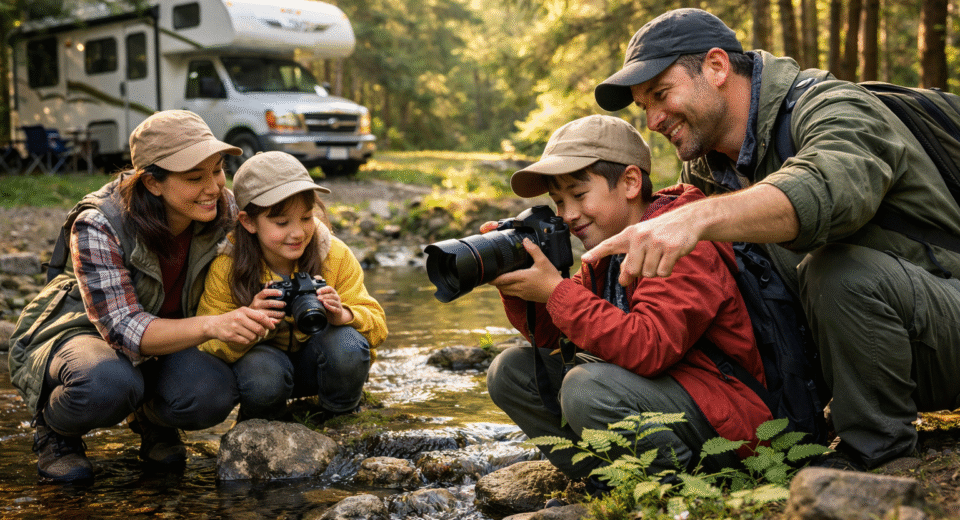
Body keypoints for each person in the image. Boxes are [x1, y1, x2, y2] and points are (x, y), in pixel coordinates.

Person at [590, 8, 960, 470]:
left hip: (942, 319)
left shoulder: (831, 106)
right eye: (645, 106)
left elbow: (831, 188)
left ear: (717, 67)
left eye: (661, 95)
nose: (654, 120)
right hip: (860, 347)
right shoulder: (704, 168)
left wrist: (698, 219)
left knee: (840, 270)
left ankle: (875, 454)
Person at [484, 115, 773, 483]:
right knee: (510, 370)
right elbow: (554, 338)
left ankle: (682, 491)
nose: (568, 215)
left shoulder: (681, 242)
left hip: (727, 422)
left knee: (586, 388)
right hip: (663, 400)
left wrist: (557, 291)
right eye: (558, 201)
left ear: (631, 182)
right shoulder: (607, 249)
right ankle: (611, 482)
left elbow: (647, 347)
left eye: (579, 194)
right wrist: (518, 281)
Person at [8, 110, 278, 483]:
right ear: (152, 183)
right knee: (107, 384)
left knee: (212, 393)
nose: (214, 187)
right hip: (85, 333)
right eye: (195, 178)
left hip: (170, 333)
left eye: (218, 169)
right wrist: (215, 324)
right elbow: (122, 328)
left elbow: (281, 232)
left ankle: (151, 418)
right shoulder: (99, 222)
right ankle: (55, 431)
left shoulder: (222, 207)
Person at [196, 151, 387, 422]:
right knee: (262, 372)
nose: (298, 233)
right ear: (248, 222)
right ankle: (263, 424)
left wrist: (342, 315)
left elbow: (378, 327)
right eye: (282, 222)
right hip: (265, 369)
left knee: (347, 343)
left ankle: (342, 417)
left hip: (319, 364)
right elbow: (208, 343)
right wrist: (249, 323)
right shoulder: (227, 265)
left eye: (307, 218)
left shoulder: (333, 255)